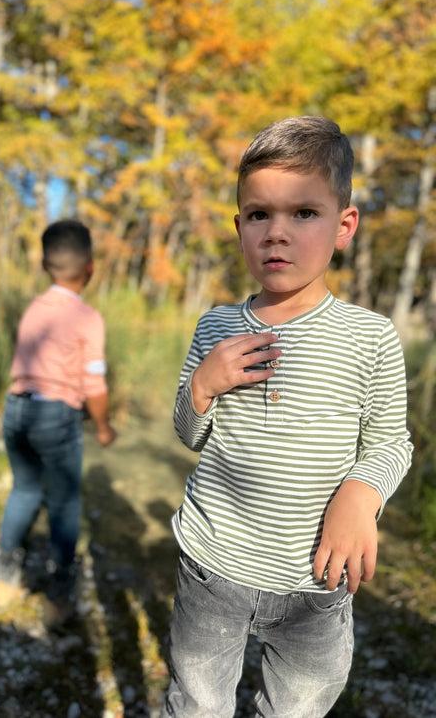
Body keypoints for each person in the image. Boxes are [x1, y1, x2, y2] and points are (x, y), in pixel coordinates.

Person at [161, 116, 413, 717]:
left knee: (298, 707)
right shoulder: (216, 326)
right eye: (259, 215)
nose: (277, 233)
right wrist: (201, 386)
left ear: (343, 225)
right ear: (240, 226)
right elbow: (188, 434)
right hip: (212, 565)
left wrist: (361, 494)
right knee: (196, 702)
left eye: (304, 213)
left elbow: (391, 442)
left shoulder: (370, 337)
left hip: (314, 584)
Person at [0, 219, 116, 629]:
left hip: (16, 409)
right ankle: (58, 598)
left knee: (24, 490)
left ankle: (3, 583)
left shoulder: (34, 309)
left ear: (44, 265)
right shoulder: (88, 317)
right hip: (55, 415)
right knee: (63, 503)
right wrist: (103, 427)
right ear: (91, 267)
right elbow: (93, 384)